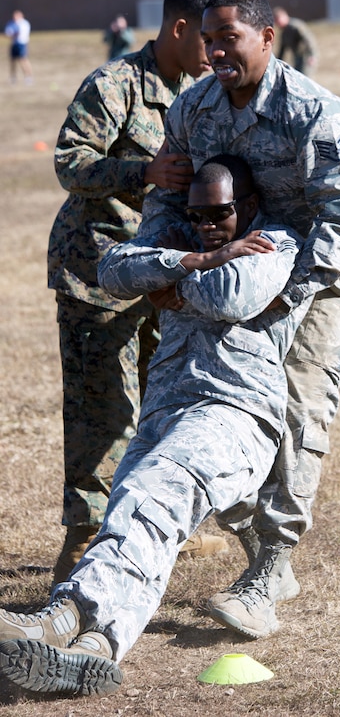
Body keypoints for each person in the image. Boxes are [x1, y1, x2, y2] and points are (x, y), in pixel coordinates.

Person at [0, 155, 313, 697]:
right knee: (140, 517)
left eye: (221, 214)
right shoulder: (194, 240)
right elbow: (114, 269)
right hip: (167, 411)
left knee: (151, 494)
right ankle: (98, 648)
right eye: (197, 216)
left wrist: (169, 279)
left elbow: (231, 295)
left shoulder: (278, 241)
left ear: (251, 205)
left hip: (234, 413)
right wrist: (205, 255)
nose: (207, 224)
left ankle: (65, 613)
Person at [138, 0, 340, 640]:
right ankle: (249, 540)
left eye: (229, 38)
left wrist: (282, 296)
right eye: (208, 39)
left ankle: (270, 572)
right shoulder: (193, 107)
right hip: (228, 273)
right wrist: (163, 263)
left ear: (267, 38)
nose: (214, 50)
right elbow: (171, 193)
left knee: (297, 408)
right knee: (215, 408)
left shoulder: (316, 114)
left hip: (319, 282)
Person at [48, 0, 227, 587]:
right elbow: (69, 161)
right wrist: (140, 170)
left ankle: (151, 525)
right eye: (203, 37)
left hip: (162, 274)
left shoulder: (201, 93)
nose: (212, 48)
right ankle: (83, 538)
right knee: (100, 409)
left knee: (162, 403)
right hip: (96, 270)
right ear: (177, 29)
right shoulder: (115, 85)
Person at [273, 5, 318, 75]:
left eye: (278, 19)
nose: (277, 23)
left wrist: (312, 55)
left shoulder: (295, 26)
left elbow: (309, 40)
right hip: (297, 58)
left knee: (304, 79)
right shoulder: (284, 33)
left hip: (306, 58)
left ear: (284, 16)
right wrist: (275, 63)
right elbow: (282, 51)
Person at [4, 10, 32, 84]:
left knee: (23, 60)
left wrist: (14, 33)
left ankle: (28, 77)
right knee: (12, 61)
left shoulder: (24, 24)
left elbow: (22, 34)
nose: (15, 18)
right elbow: (8, 33)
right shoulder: (11, 23)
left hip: (22, 44)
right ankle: (13, 78)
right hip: (14, 44)